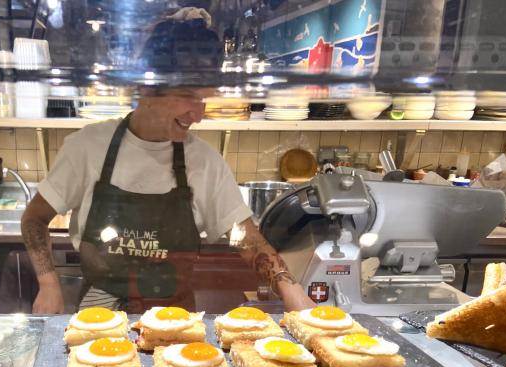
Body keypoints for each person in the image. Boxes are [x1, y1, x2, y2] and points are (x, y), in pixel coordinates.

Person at [21, 9, 315, 314]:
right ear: (147, 87)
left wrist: (290, 289)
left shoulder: (204, 162)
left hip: (177, 322)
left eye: (204, 99)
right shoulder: (88, 148)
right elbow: (34, 218)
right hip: (101, 319)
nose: (198, 115)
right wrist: (48, 284)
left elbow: (244, 238)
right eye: (188, 96)